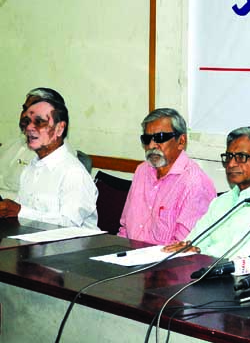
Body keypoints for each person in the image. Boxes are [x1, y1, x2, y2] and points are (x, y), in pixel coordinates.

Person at [165, 126, 250, 259]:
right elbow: (193, 244)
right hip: (209, 275)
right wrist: (189, 249)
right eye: (229, 157)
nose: (231, 164)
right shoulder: (221, 202)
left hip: (248, 278)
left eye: (241, 157)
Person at [0, 88, 97, 228]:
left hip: (72, 246)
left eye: (39, 122)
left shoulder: (73, 172)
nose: (30, 128)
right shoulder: (31, 168)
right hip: (31, 244)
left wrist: (20, 212)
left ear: (59, 129)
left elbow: (70, 225)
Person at [118, 108, 216, 245]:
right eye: (146, 139)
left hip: (166, 263)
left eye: (160, 138)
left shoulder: (194, 183)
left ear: (181, 141)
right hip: (129, 257)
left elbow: (183, 248)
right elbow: (125, 229)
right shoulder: (142, 171)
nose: (152, 145)